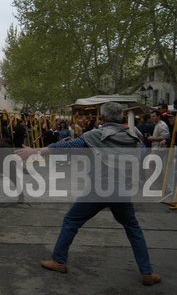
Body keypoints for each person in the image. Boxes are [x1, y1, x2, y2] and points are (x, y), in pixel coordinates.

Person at [16, 102, 161, 286]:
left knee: (71, 221)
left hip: (98, 189)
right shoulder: (134, 137)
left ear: (102, 118)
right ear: (122, 118)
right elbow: (140, 156)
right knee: (133, 230)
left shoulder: (95, 135)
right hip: (122, 190)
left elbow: (67, 146)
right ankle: (146, 272)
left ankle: (59, 260)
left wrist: (35, 151)